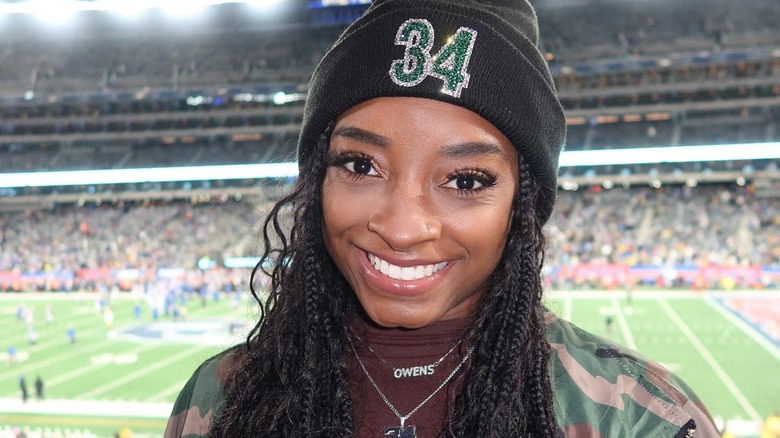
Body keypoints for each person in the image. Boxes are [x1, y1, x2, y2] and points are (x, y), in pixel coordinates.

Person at [165, 0, 718, 436]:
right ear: (316, 180)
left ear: (522, 206)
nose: (402, 228)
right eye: (360, 165)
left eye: (467, 181)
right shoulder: (220, 398)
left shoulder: (640, 418)